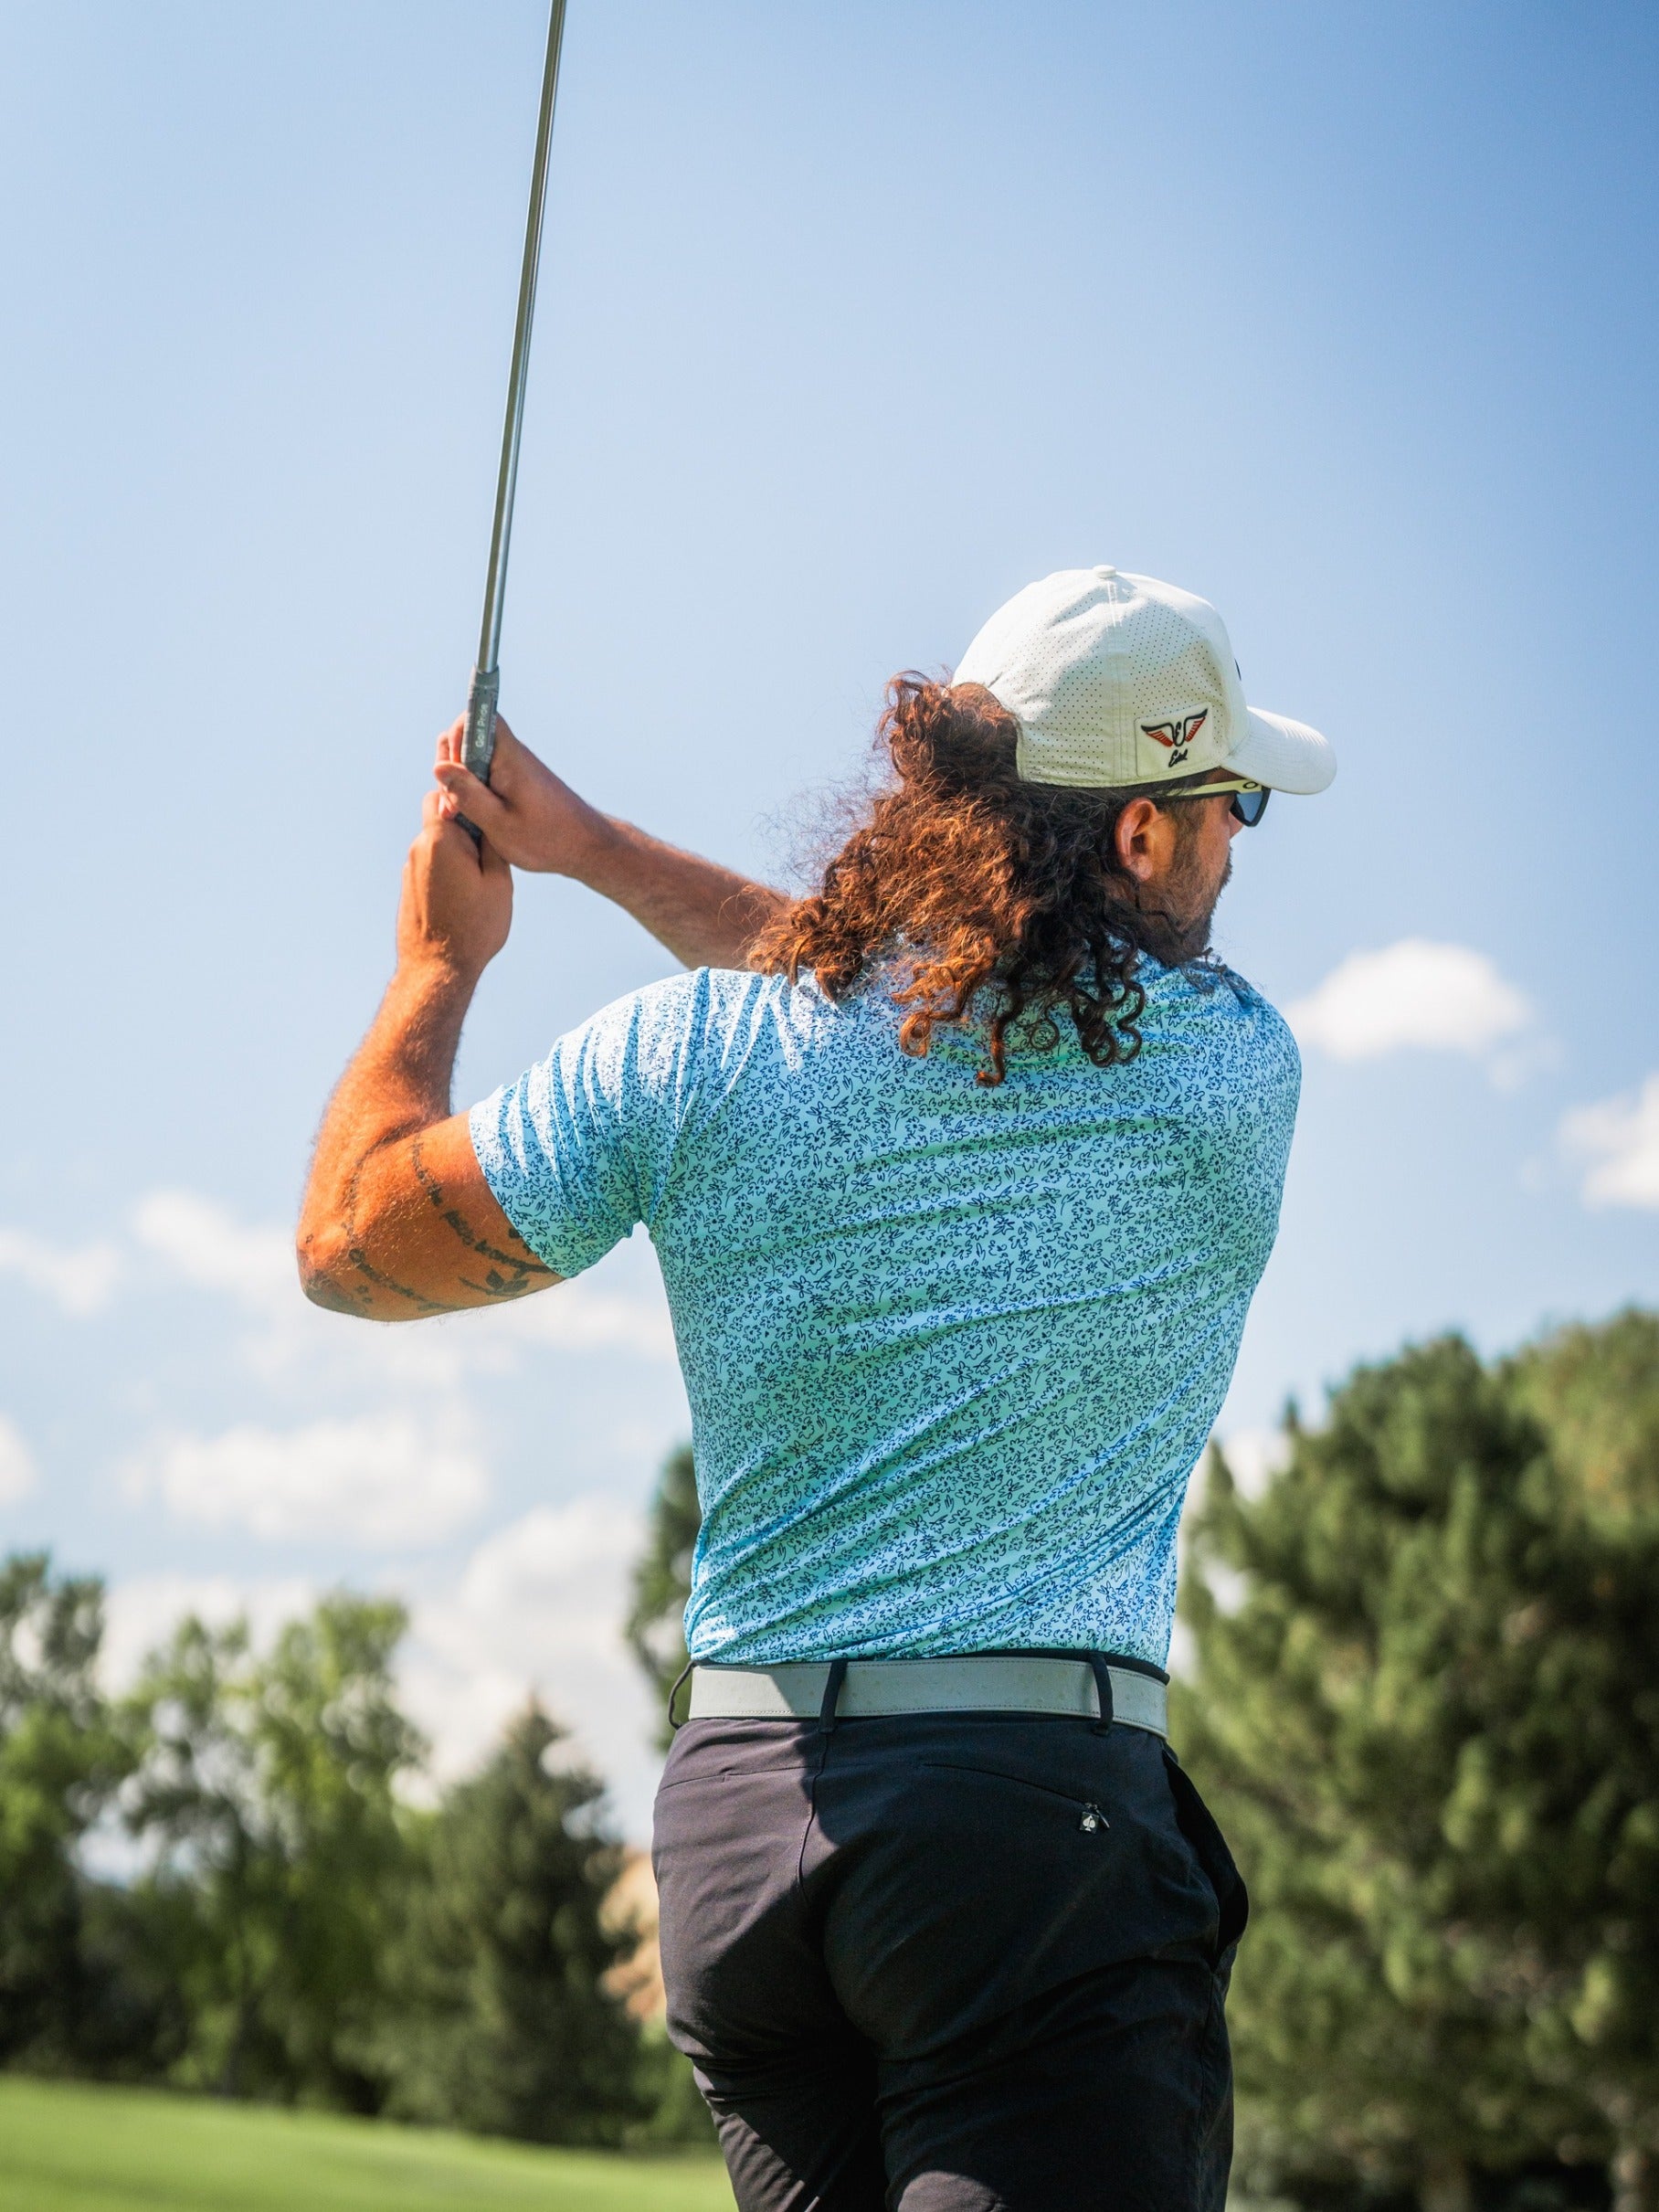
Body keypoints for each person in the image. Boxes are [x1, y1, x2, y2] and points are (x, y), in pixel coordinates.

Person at [297, 565, 1336, 2211]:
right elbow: (908, 998)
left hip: (740, 1848)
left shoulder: (694, 1055)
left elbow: (350, 1244)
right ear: (1140, 834)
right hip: (1026, 1852)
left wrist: (445, 957)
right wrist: (597, 852)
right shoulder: (1230, 1070)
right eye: (1229, 809)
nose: (1233, 847)